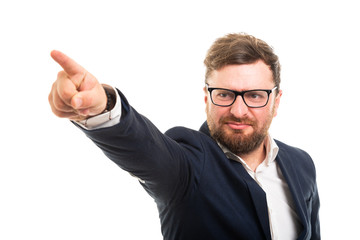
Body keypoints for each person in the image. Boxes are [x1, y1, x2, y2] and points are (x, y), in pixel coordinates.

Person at [48, 33, 320, 240]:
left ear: (276, 101)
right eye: (224, 95)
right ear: (206, 98)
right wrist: (101, 107)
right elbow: (145, 149)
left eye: (255, 96)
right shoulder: (189, 164)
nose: (239, 111)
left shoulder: (301, 164)